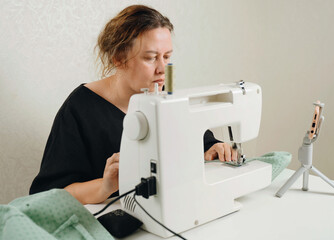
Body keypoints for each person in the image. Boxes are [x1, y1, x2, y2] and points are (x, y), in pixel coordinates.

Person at [30, 5, 238, 204]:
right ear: (119, 58)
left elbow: (201, 141)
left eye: (167, 57)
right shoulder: (80, 109)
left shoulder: (161, 98)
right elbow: (49, 195)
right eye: (151, 58)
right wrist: (106, 186)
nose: (162, 69)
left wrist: (214, 148)